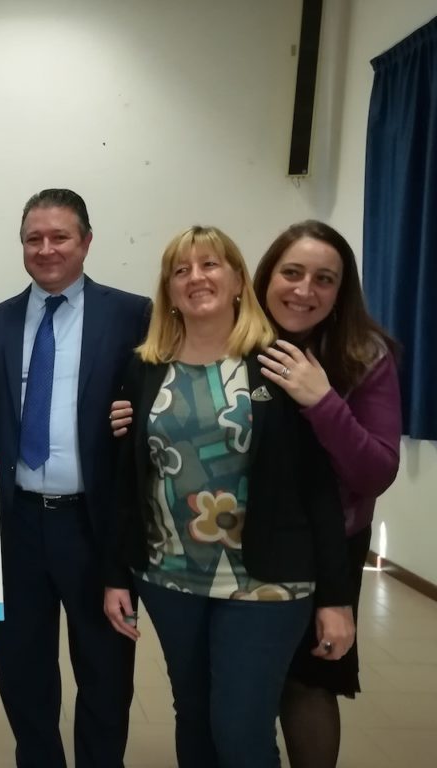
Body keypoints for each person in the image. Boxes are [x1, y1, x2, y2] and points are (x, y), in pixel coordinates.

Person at [102, 225, 355, 768]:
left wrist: (336, 598)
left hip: (267, 583)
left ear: (240, 280)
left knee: (240, 732)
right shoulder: (145, 367)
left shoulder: (280, 364)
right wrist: (117, 574)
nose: (196, 278)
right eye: (181, 270)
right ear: (169, 290)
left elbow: (319, 489)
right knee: (193, 720)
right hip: (169, 577)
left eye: (210, 264)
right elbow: (130, 481)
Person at [0, 189, 150, 768]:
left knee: (105, 672)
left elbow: (149, 405)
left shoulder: (132, 315)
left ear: (87, 242)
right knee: (22, 673)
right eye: (34, 238)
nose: (46, 249)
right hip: (17, 524)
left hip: (95, 526)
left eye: (60, 237)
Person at [254, 221, 401, 768]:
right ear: (267, 276)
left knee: (309, 680)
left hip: (329, 548)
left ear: (342, 291)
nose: (304, 290)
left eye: (324, 279)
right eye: (292, 272)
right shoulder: (234, 340)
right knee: (241, 682)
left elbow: (375, 472)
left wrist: (322, 401)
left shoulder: (364, 354)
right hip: (241, 538)